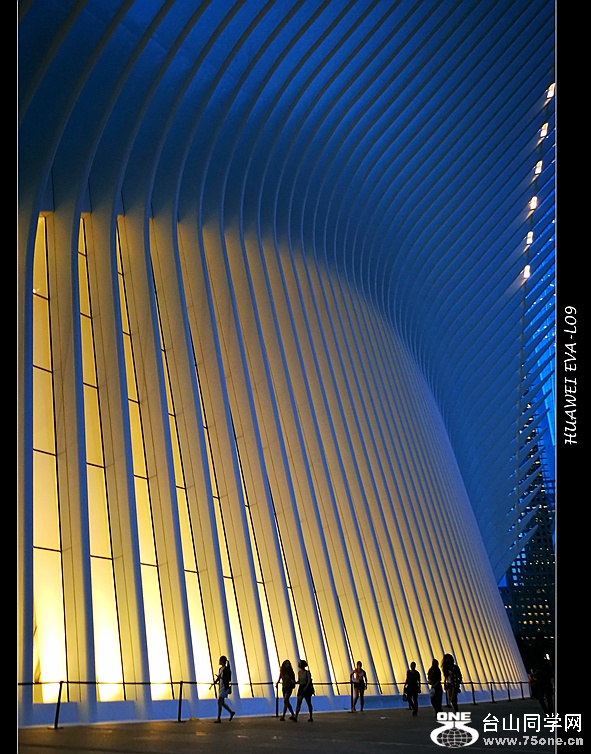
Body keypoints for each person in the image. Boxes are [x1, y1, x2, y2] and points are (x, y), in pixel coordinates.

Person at [212, 655, 235, 722]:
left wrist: (221, 678)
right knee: (221, 702)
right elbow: (219, 677)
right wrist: (216, 681)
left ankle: (219, 718)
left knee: (220, 702)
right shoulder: (220, 669)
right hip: (221, 687)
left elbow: (227, 678)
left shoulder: (226, 669)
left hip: (224, 687)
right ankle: (231, 712)